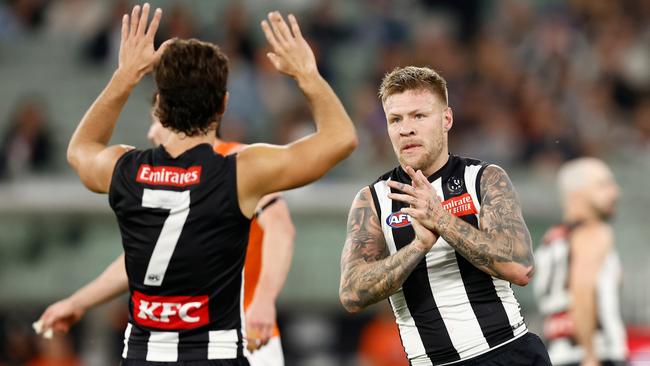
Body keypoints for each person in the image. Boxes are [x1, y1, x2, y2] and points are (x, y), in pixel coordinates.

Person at [58, 3, 357, 364]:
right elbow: (341, 139)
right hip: (215, 353)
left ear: (159, 107)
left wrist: (126, 75)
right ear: (223, 106)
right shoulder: (242, 172)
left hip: (142, 353)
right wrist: (306, 73)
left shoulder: (123, 167)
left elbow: (80, 150)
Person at [37, 117, 295, 366]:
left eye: (155, 120)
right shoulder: (165, 176)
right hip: (186, 346)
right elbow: (151, 261)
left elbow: (281, 228)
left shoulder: (238, 162)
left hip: (244, 333)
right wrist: (77, 302)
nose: (151, 132)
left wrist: (264, 300)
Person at [338, 66, 550, 365]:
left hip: (504, 352)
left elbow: (521, 268)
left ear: (446, 119)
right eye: (395, 119)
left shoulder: (483, 178)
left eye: (418, 116)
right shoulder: (373, 199)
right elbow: (351, 295)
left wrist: (442, 219)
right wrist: (416, 247)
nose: (406, 129)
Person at [534, 158, 627, 366]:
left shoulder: (550, 239)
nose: (615, 192)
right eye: (603, 185)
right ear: (577, 194)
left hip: (557, 354)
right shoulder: (595, 232)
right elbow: (582, 291)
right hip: (596, 354)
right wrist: (590, 355)